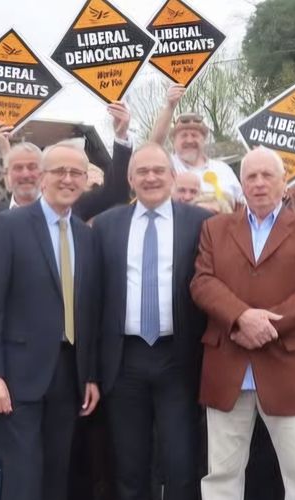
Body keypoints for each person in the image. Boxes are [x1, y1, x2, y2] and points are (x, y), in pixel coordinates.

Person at [192, 147, 295, 500]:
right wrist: (241, 317)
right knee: (221, 477)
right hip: (228, 366)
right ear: (241, 184)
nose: (259, 183)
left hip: (288, 367)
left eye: (267, 175)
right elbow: (203, 282)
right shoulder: (214, 228)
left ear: (284, 183)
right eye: (251, 176)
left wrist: (265, 326)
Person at [0, 142, 103, 500]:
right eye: (59, 171)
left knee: (56, 476)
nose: (68, 179)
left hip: (69, 375)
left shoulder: (85, 235)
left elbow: (89, 309)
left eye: (76, 173)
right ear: (43, 177)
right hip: (16, 377)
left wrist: (90, 374)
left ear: (85, 181)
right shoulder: (7, 226)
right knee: (23, 478)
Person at [92, 143, 216, 500]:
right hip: (123, 359)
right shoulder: (106, 225)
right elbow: (93, 294)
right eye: (142, 172)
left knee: (181, 461)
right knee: (129, 465)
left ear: (173, 176)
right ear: (130, 179)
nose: (151, 178)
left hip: (179, 357)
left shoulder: (201, 223)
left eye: (158, 170)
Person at [0, 102, 135, 239]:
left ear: (43, 175)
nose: (26, 174)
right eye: (18, 168)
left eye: (33, 167)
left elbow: (115, 191)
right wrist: (4, 147)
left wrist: (121, 136)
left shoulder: (69, 208)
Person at [149, 84, 245, 204]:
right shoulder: (166, 168)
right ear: (173, 141)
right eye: (184, 136)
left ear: (204, 139)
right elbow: (151, 149)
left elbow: (243, 206)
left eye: (195, 135)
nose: (189, 140)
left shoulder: (223, 170)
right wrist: (169, 106)